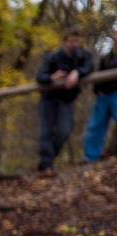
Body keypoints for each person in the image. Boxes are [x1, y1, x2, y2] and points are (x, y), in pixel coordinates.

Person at [36, 30, 94, 172]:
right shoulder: (53, 57)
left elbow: (89, 67)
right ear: (65, 41)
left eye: (77, 41)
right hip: (49, 99)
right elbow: (40, 76)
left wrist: (77, 72)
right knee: (46, 132)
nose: (74, 44)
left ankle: (48, 159)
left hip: (67, 100)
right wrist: (52, 77)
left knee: (64, 131)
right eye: (71, 41)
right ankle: (46, 165)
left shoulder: (83, 56)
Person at [83, 29, 117, 162]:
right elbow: (99, 74)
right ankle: (91, 157)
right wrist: (97, 91)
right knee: (96, 126)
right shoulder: (106, 57)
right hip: (103, 96)